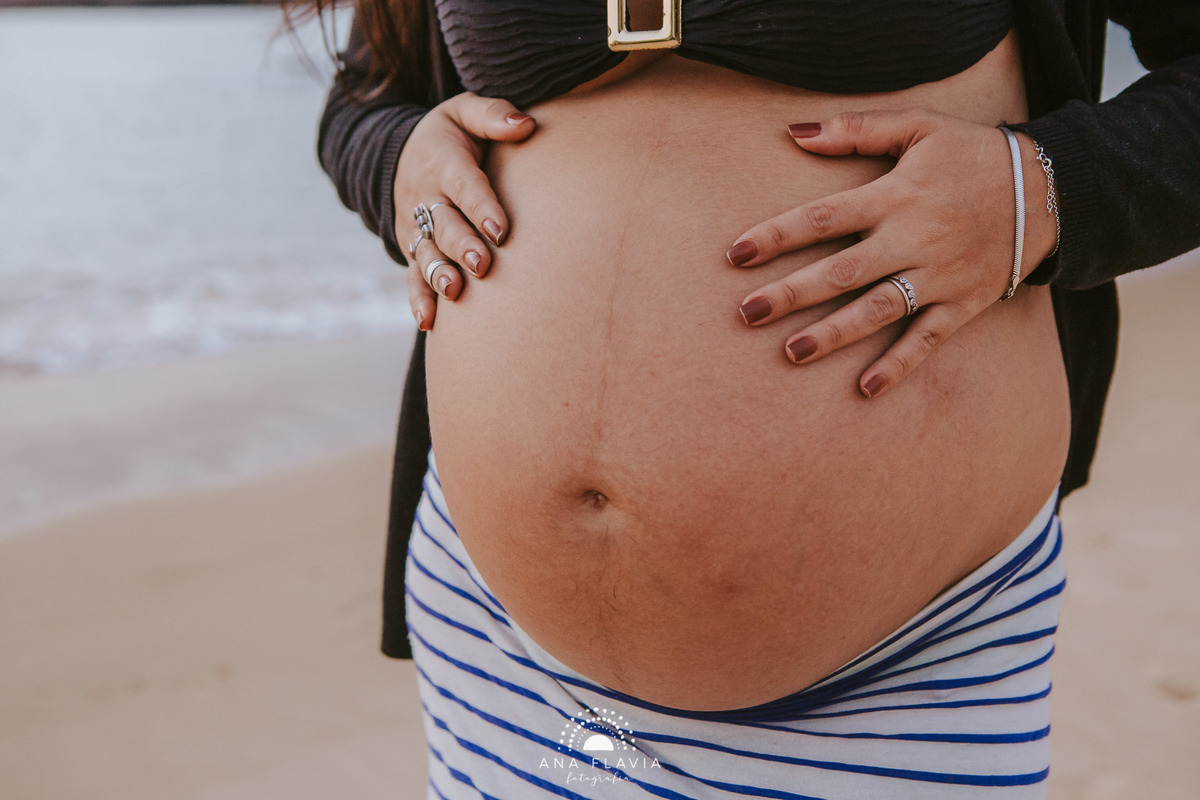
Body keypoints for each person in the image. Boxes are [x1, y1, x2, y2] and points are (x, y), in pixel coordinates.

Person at [298, 0, 1200, 795]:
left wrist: (1042, 191)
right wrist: (397, 163)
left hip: (898, 678)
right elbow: (368, 93)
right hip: (500, 654)